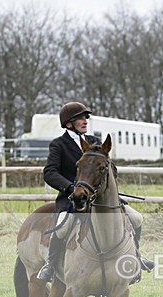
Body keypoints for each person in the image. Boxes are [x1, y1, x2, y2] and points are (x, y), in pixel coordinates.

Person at [37, 101, 154, 282]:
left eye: (86, 118)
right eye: (80, 118)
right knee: (62, 227)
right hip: (73, 198)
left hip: (100, 198)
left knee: (137, 218)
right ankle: (51, 265)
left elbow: (111, 169)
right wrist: (71, 188)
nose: (85, 121)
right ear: (68, 123)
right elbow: (50, 173)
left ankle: (137, 255)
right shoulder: (59, 145)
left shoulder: (95, 142)